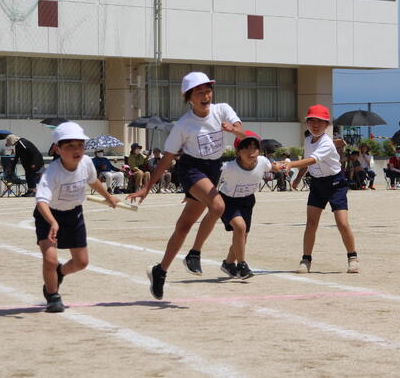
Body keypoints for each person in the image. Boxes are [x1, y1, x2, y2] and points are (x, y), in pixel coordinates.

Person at [128, 72, 246, 300]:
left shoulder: (222, 109)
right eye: (199, 93)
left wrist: (232, 130)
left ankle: (160, 270)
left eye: (208, 91)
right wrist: (147, 187)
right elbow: (166, 158)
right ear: (188, 97)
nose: (205, 96)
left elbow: (242, 131)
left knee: (183, 226)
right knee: (218, 206)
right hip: (192, 169)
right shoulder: (183, 125)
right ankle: (194, 253)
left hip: (213, 169)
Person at [35, 121, 118, 313]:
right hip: (49, 215)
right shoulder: (52, 172)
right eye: (70, 146)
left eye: (80, 145)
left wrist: (108, 197)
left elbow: (93, 181)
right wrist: (53, 222)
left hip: (74, 214)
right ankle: (53, 296)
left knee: (81, 262)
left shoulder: (87, 163)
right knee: (50, 260)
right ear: (57, 149)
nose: (77, 150)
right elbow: (41, 201)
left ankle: (59, 273)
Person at [284, 105, 359, 274]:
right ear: (307, 123)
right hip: (317, 184)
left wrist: (291, 164)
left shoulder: (327, 143)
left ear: (327, 125)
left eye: (320, 121)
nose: (315, 125)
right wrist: (298, 178)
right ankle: (306, 260)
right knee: (311, 223)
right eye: (311, 121)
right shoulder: (308, 140)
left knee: (342, 223)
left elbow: (312, 160)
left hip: (335, 184)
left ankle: (352, 258)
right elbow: (306, 160)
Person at [218, 131, 279, 280]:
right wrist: (194, 196)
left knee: (242, 237)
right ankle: (242, 265)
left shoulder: (263, 161)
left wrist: (283, 166)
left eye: (254, 147)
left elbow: (273, 167)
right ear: (238, 151)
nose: (251, 151)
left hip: (247, 201)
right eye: (246, 148)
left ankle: (228, 263)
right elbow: (212, 181)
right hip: (228, 201)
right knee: (240, 227)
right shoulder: (228, 167)